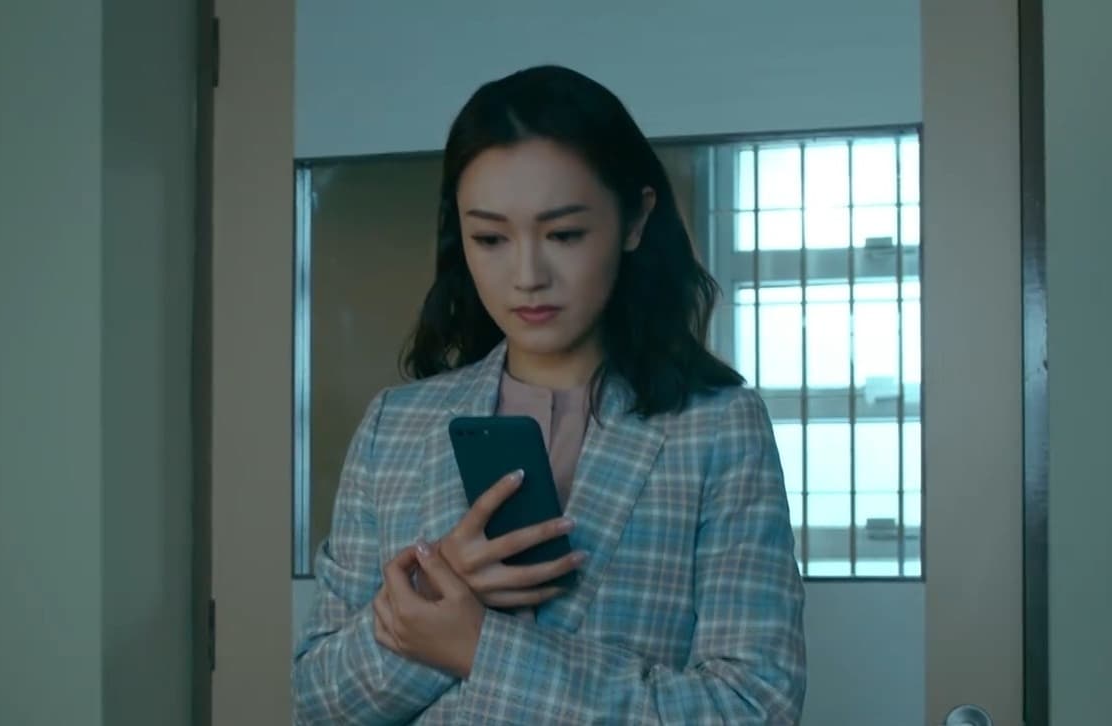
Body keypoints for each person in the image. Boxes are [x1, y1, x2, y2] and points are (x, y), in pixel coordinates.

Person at [292, 64, 806, 725]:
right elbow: (315, 702)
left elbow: (753, 707)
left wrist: (480, 648)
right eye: (490, 238)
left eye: (564, 234)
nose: (527, 275)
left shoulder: (717, 427)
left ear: (634, 219)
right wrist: (437, 594)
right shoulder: (394, 426)